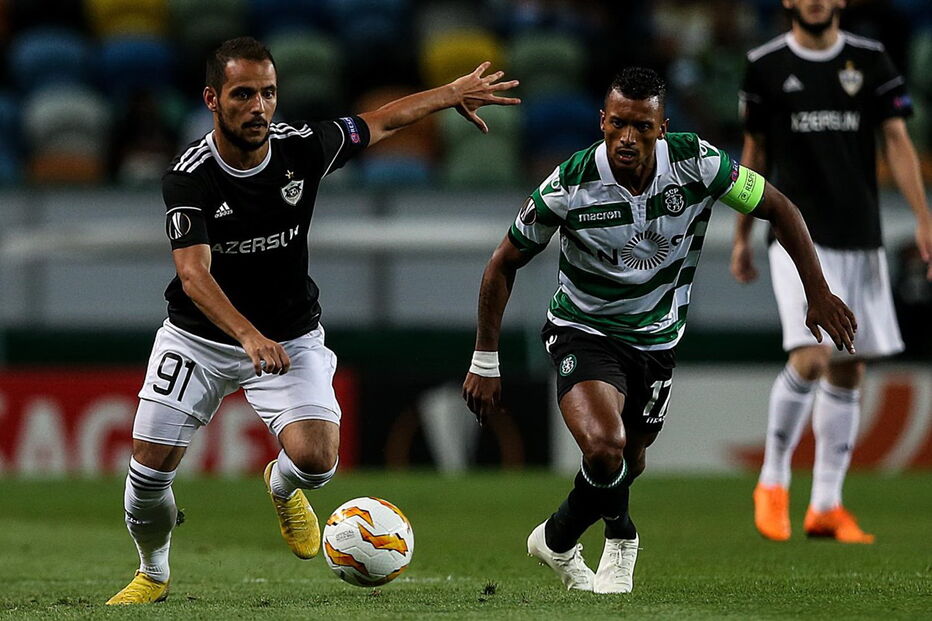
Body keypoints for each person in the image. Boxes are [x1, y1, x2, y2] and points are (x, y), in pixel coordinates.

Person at [107, 36, 519, 605]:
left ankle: (282, 489)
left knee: (318, 461)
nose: (259, 106)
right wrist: (248, 336)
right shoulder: (189, 176)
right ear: (211, 98)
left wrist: (450, 93)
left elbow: (379, 121)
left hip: (289, 334)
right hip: (199, 339)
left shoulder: (302, 149)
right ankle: (153, 574)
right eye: (243, 93)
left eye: (268, 93)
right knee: (148, 476)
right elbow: (196, 275)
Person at [462, 66, 856, 594]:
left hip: (656, 339)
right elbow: (501, 263)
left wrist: (817, 290)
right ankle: (622, 538)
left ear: (662, 127)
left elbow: (780, 208)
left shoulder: (697, 163)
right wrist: (485, 359)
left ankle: (554, 540)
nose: (628, 138)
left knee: (631, 459)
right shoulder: (571, 183)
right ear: (602, 121)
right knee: (605, 447)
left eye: (642, 127)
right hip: (583, 328)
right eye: (618, 123)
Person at [732, 0, 931, 544]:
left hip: (861, 236)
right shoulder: (766, 64)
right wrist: (743, 235)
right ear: (789, 2)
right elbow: (755, 151)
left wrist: (923, 218)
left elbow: (897, 140)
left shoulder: (870, 60)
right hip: (797, 239)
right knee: (813, 356)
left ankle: (825, 505)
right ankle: (772, 482)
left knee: (849, 368)